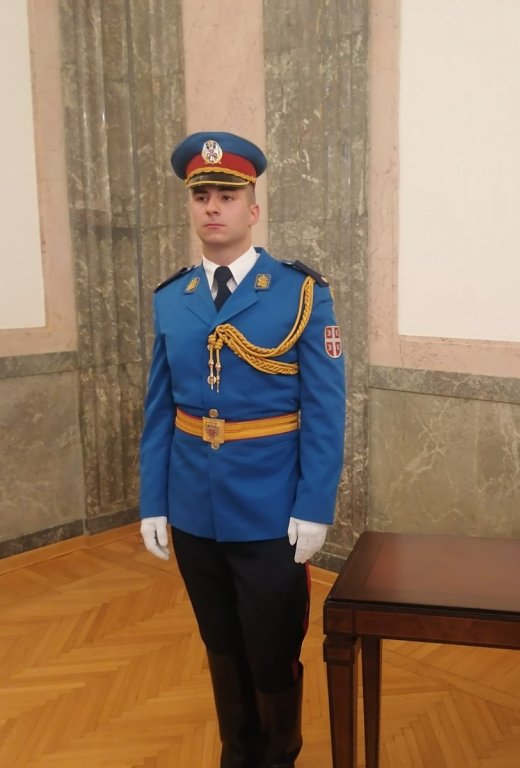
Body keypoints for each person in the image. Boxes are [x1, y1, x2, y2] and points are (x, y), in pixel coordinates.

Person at [138, 130, 346, 768]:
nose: (212, 207)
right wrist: (153, 502)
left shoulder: (300, 293)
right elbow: (159, 409)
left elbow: (325, 409)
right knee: (221, 644)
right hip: (192, 508)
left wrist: (314, 506)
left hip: (270, 510)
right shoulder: (173, 299)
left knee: (271, 648)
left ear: (252, 209)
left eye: (226, 196)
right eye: (201, 195)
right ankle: (238, 753)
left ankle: (279, 754)